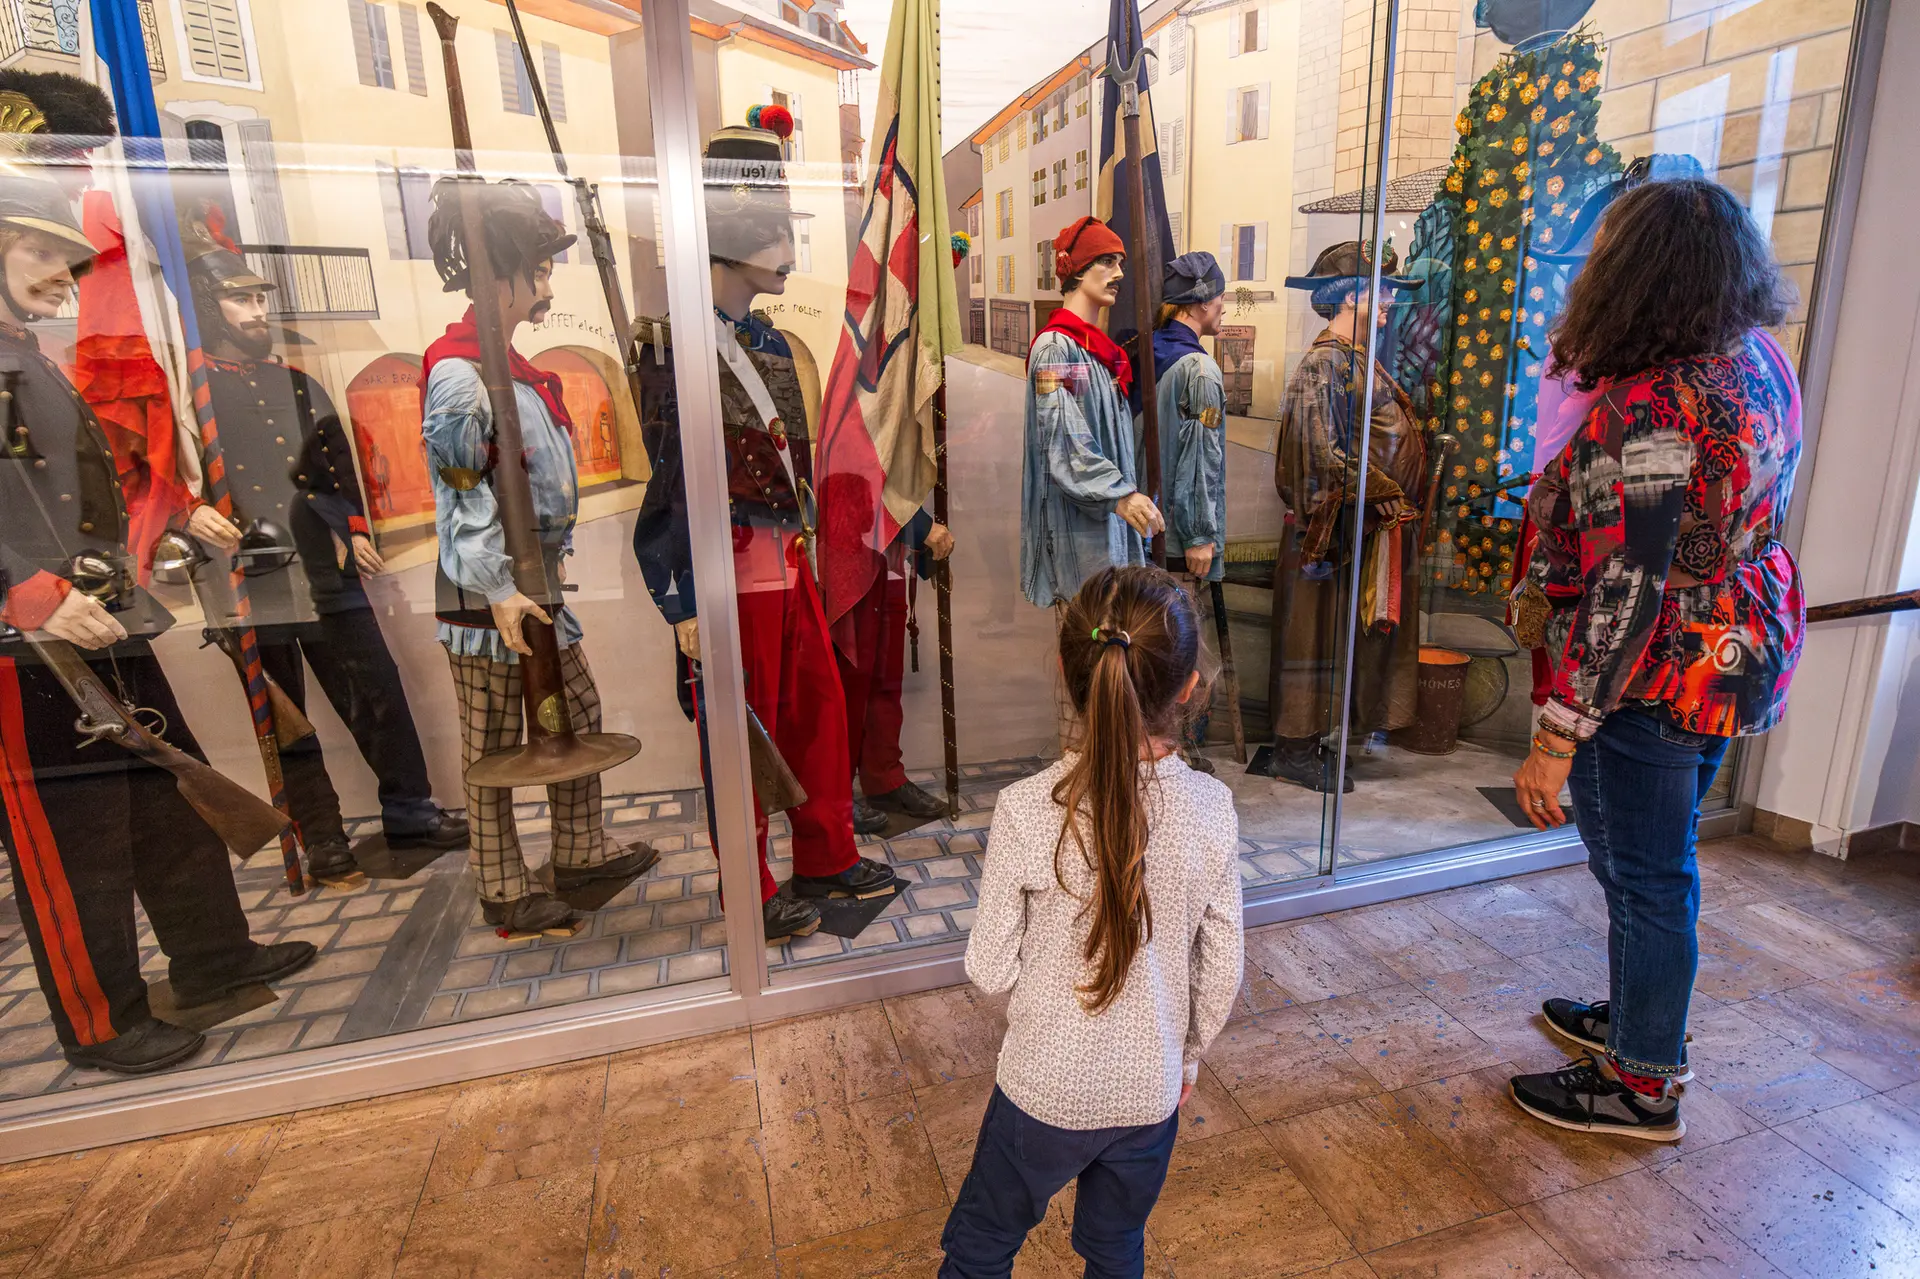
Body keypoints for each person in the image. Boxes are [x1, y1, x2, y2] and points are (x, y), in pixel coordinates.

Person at [1507, 179, 1803, 1141]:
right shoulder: (1758, 363)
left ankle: (1642, 1082)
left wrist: (1556, 736)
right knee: (1657, 867)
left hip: (1658, 672)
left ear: (1630, 279)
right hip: (1736, 653)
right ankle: (1639, 1021)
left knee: (1645, 876)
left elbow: (1627, 590)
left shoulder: (1654, 408)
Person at [0, 176, 313, 1074]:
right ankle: (100, 1022)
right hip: (29, 644)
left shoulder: (26, 356)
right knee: (75, 840)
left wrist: (162, 516)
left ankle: (214, 957)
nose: (65, 276)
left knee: (169, 804)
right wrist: (23, 592)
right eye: (42, 257)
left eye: (69, 262)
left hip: (101, 619)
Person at [631, 112, 894, 943]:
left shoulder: (770, 340)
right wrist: (679, 604)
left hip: (791, 564)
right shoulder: (675, 347)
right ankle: (749, 883)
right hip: (729, 574)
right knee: (742, 737)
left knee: (817, 718)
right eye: (774, 231)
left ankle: (827, 851)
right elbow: (669, 490)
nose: (787, 247)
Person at [939, 566, 1244, 1278]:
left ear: (1065, 670)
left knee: (981, 1248)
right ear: (1189, 686)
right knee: (1115, 1251)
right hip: (1151, 1091)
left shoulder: (1023, 806)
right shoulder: (1210, 809)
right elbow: (1221, 967)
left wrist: (1038, 992)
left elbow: (987, 968)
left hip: (1039, 1088)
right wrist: (1185, 1053)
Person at [178, 215, 467, 883]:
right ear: (207, 307)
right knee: (288, 720)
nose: (256, 311)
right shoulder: (191, 391)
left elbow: (335, 467)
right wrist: (190, 510)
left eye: (259, 299)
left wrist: (356, 529)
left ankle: (410, 810)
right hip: (250, 580)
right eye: (240, 300)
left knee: (378, 692)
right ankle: (325, 839)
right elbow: (166, 472)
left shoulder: (296, 382)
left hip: (324, 568)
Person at [422, 179, 654, 937]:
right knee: (491, 746)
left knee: (573, 715)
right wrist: (494, 587)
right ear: (499, 279)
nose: (548, 285)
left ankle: (580, 851)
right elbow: (461, 500)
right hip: (489, 595)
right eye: (540, 271)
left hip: (538, 581)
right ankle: (500, 884)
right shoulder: (459, 377)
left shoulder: (510, 369)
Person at [1263, 241, 1426, 793]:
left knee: (1333, 639)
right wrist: (1377, 488)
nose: (1388, 302)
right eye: (1379, 291)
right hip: (1329, 535)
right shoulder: (1325, 362)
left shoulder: (1356, 357)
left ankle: (1314, 740)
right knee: (1312, 639)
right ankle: (1295, 748)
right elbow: (1313, 452)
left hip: (1358, 531)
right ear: (1349, 296)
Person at [1019, 216, 1164, 610]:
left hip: (1108, 528)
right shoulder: (1055, 351)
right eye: (1107, 261)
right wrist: (1120, 495)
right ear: (1077, 271)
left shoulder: (1096, 354)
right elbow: (1065, 439)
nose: (1119, 273)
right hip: (1079, 534)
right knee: (1088, 649)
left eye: (1120, 263)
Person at [1152, 251, 1229, 772]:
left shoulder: (1151, 353)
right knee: (1183, 656)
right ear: (1201, 300)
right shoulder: (1198, 368)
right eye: (1220, 296)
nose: (1224, 306)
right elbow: (1199, 455)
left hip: (1152, 533)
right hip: (1182, 541)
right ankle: (1173, 755)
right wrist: (1200, 534)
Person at [836, 506, 954, 832]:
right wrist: (921, 526)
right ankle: (834, 794)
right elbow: (870, 480)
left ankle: (884, 776)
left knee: (886, 677)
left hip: (889, 552)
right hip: (848, 548)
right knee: (850, 684)